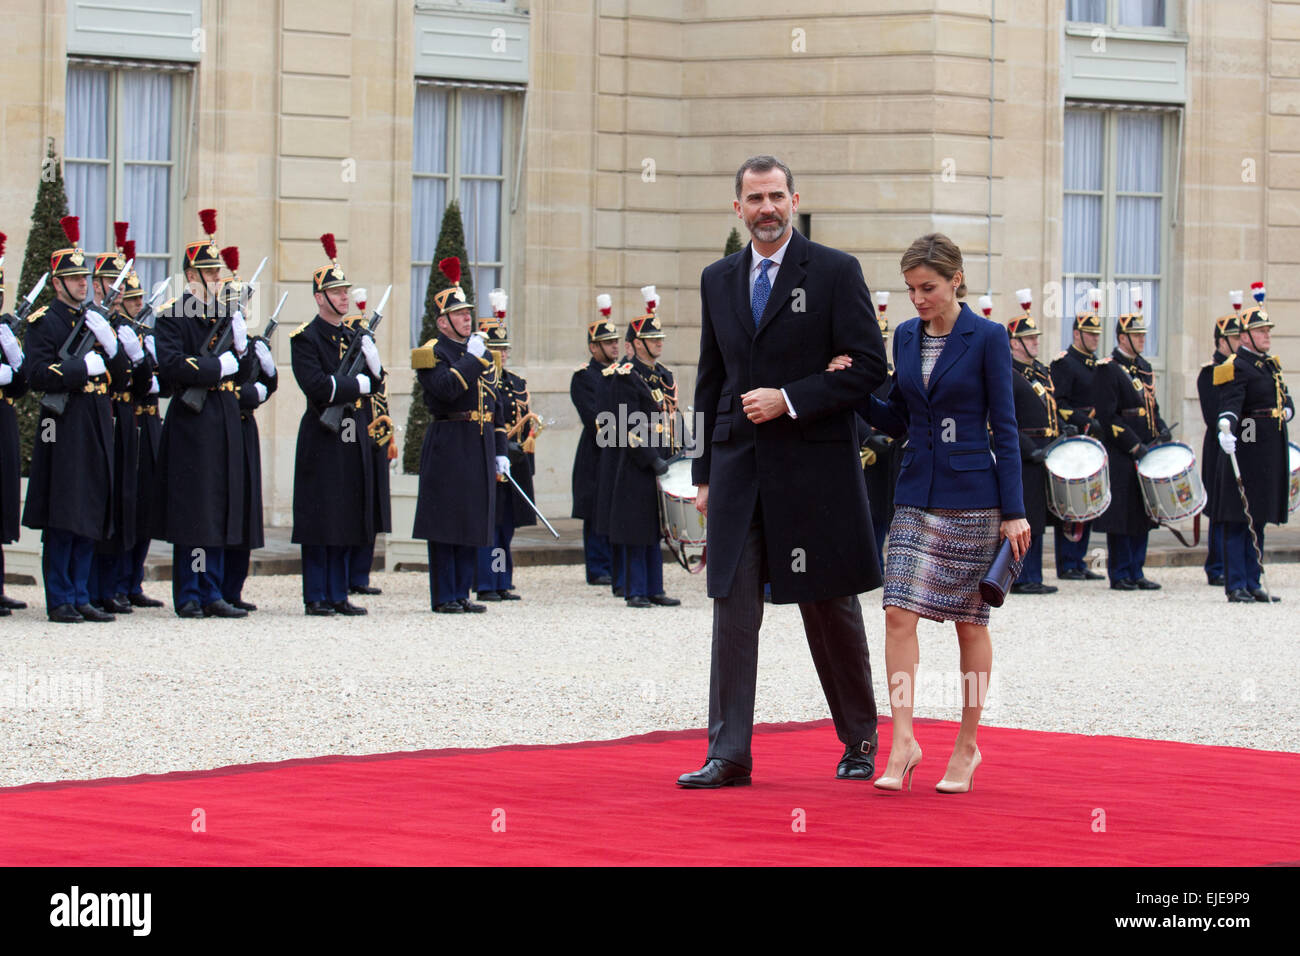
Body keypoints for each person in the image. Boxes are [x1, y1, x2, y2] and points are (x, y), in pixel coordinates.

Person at [677, 155, 887, 789]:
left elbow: (869, 368)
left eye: (776, 196)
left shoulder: (833, 271)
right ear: (737, 208)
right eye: (754, 198)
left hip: (814, 474)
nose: (766, 208)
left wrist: (789, 398)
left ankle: (860, 738)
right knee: (732, 610)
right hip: (739, 473)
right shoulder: (717, 279)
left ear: (795, 200)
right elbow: (709, 382)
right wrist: (704, 474)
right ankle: (729, 753)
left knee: (830, 610)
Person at [851, 234, 1028, 795]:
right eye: (910, 289)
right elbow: (899, 417)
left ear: (956, 281)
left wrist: (1016, 513)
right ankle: (902, 740)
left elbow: (1006, 427)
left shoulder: (989, 338)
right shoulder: (904, 336)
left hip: (976, 497)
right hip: (914, 494)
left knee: (970, 623)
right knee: (897, 612)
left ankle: (968, 745)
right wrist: (852, 387)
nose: (918, 299)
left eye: (927, 287)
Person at [22, 216, 130, 622]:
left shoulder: (95, 319)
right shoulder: (44, 323)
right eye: (74, 279)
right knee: (63, 515)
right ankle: (61, 598)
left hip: (97, 423)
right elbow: (36, 374)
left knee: (90, 512)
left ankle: (83, 594)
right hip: (63, 428)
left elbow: (121, 378)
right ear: (57, 283)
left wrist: (112, 345)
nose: (84, 284)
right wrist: (80, 369)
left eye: (85, 278)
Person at [153, 209, 252, 618]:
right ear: (191, 276)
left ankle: (213, 590)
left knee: (218, 504)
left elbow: (244, 372)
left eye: (217, 273)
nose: (217, 279)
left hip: (225, 417)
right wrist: (218, 366)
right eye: (209, 274)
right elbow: (173, 366)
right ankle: (190, 592)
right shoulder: (173, 315)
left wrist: (244, 350)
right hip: (193, 421)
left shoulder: (225, 315)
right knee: (194, 509)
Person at [289, 234, 382, 616]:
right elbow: (317, 386)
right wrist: (356, 384)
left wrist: (372, 368)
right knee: (319, 514)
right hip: (322, 434)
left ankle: (339, 592)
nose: (344, 298)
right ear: (319, 297)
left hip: (351, 433)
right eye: (336, 292)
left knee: (346, 512)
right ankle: (316, 594)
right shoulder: (305, 338)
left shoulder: (354, 336)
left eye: (345, 291)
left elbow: (377, 382)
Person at [411, 256, 508, 614]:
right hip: (449, 438)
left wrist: (500, 449)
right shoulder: (430, 353)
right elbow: (443, 390)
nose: (468, 318)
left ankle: (462, 592)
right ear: (443, 322)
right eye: (460, 314)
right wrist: (471, 359)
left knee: (471, 517)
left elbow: (494, 403)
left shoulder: (477, 353)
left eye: (468, 312)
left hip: (478, 440)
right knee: (446, 518)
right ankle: (443, 594)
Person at [1213, 285, 1292, 603]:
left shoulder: (1268, 365)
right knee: (1238, 518)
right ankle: (1236, 584)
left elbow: (1285, 397)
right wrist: (1228, 428)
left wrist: (1287, 409)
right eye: (1260, 330)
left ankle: (1253, 579)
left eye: (1267, 329)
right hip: (1247, 450)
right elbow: (1232, 404)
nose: (1266, 335)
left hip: (1268, 450)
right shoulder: (1237, 366)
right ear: (1244, 336)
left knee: (1257, 517)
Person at [87, 225, 150, 615]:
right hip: (94, 417)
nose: (118, 290)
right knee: (95, 502)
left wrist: (136, 355)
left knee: (123, 502)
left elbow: (143, 384)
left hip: (123, 417)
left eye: (121, 283)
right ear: (97, 285)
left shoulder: (125, 327)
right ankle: (88, 588)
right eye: (112, 282)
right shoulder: (88, 322)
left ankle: (111, 586)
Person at [606, 289, 681, 610]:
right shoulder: (626, 376)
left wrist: (677, 454)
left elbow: (672, 418)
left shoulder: (663, 376)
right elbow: (623, 426)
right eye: (653, 338)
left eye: (660, 337)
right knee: (637, 526)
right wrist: (650, 459)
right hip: (638, 461)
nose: (659, 342)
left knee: (658, 525)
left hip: (663, 456)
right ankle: (635, 589)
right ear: (637, 343)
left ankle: (654, 587)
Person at [1092, 291, 1168, 591]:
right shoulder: (1108, 368)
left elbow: (1152, 407)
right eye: (1136, 335)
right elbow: (1109, 418)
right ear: (1122, 337)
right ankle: (1120, 572)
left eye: (1143, 335)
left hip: (1147, 450)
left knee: (1144, 512)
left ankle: (1137, 569)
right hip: (1124, 451)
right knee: (1122, 516)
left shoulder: (1144, 367)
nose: (1141, 340)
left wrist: (1161, 430)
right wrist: (1135, 445)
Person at [219, 250, 277, 612]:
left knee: (245, 507)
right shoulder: (218, 341)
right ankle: (217, 588)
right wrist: (245, 393)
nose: (240, 309)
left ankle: (234, 587)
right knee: (223, 505)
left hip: (244, 428)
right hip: (222, 425)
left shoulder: (248, 340)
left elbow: (269, 384)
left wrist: (266, 377)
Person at [475, 294, 535, 601]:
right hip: (487, 459)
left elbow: (526, 425)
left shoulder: (515, 383)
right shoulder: (481, 381)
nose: (502, 354)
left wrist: (526, 462)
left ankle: (502, 579)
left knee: (506, 527)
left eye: (504, 348)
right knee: (491, 527)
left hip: (513, 461)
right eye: (496, 348)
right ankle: (486, 582)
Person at [1005, 290, 1060, 596]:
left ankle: (1034, 574)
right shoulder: (1010, 374)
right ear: (1015, 343)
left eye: (1037, 338)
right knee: (1024, 516)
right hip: (1025, 453)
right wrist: (1029, 448)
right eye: (1031, 338)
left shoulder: (1040, 371)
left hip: (1046, 450)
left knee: (1039, 518)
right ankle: (1022, 576)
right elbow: (1004, 420)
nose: (1037, 342)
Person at [1049, 291, 1106, 581]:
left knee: (1090, 500)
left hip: (1093, 439)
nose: (1095, 339)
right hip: (1074, 436)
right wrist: (1082, 420)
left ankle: (1081, 560)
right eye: (1089, 334)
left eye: (1097, 334)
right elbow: (1058, 402)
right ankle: (1068, 562)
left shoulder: (1098, 365)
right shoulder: (1065, 363)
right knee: (1072, 501)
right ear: (1076, 334)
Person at [343, 287, 394, 598]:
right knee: (351, 508)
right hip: (353, 441)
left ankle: (360, 573)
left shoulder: (374, 370)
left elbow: (382, 401)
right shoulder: (351, 373)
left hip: (376, 442)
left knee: (371, 509)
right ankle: (348, 572)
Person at [570, 296, 621, 586]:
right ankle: (598, 567)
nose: (614, 346)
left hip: (620, 449)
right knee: (596, 508)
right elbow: (595, 418)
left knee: (615, 507)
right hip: (597, 451)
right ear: (594, 347)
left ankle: (614, 564)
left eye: (616, 341)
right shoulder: (584, 376)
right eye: (608, 342)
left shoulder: (621, 374)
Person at [1197, 294, 1242, 588]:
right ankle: (1216, 565)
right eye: (1234, 338)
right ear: (1221, 342)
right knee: (1218, 506)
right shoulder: (1209, 373)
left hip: (1238, 446)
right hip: (1217, 446)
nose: (1239, 343)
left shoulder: (1243, 371)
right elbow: (1214, 415)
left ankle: (1233, 562)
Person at [857, 290, 899, 567]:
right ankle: (867, 563)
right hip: (864, 453)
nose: (880, 344)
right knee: (865, 510)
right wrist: (867, 437)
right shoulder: (860, 373)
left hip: (890, 452)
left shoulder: (894, 376)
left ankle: (879, 563)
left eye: (884, 339)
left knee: (886, 508)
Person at [0, 235, 29, 614]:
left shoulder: (4, 328)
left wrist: (15, 361)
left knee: (3, 499)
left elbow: (21, 386)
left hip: (3, 418)